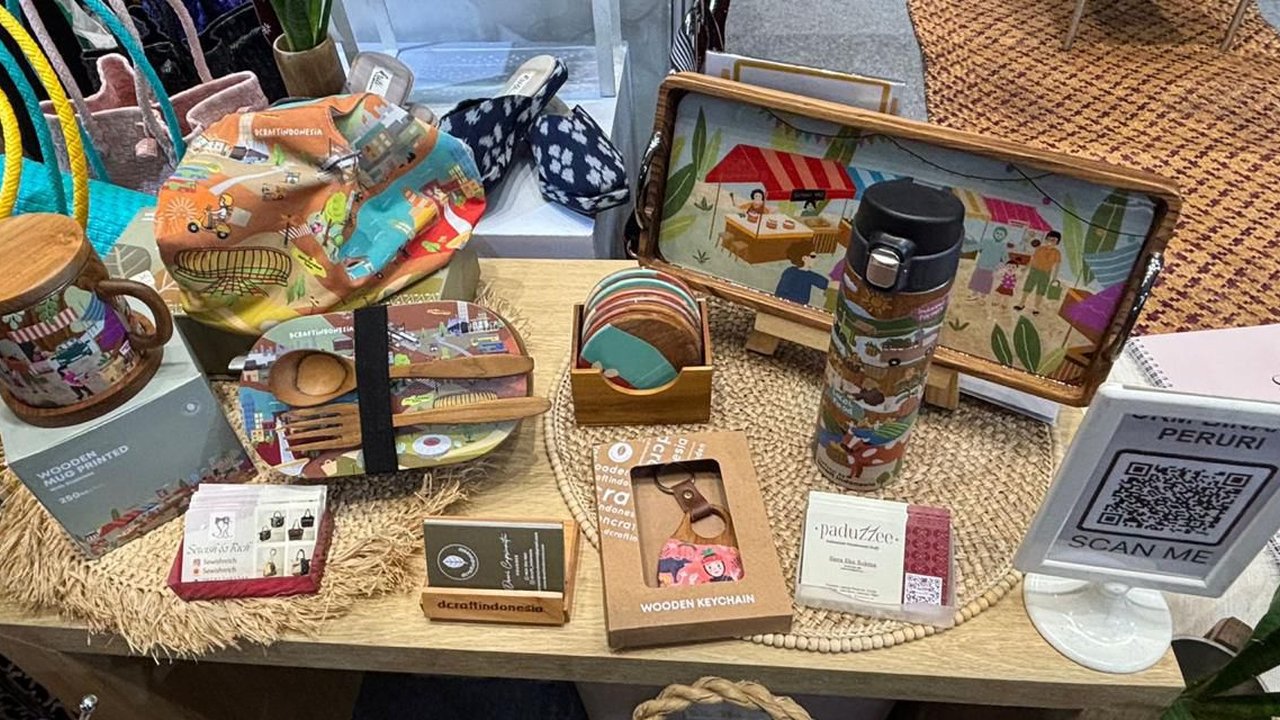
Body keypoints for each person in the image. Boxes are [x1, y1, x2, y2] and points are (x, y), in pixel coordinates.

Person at [1014, 231, 1063, 314]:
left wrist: (1055, 277)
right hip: (1034, 270)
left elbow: (1057, 265)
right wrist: (1026, 269)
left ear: (1057, 242)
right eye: (1049, 239)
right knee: (1027, 287)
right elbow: (1032, 260)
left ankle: (1036, 307)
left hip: (1046, 273)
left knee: (1041, 291)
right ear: (1045, 239)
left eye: (1053, 240)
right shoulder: (1039, 249)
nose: (1050, 242)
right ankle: (1021, 303)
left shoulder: (1057, 253)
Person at [968, 226, 1008, 298]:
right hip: (981, 265)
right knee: (977, 278)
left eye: (1001, 234)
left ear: (1004, 236)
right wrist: (964, 248)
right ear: (994, 233)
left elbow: (1005, 258)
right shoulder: (987, 241)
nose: (998, 235)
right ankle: (975, 292)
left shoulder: (1003, 246)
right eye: (997, 233)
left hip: (991, 268)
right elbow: (976, 246)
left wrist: (1005, 265)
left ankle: (983, 293)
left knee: (987, 281)